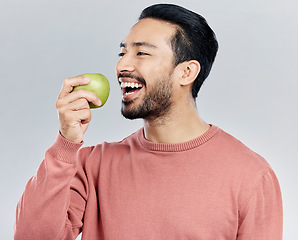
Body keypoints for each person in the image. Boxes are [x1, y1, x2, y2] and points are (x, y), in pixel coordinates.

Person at [14, 3, 283, 240]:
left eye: (142, 53)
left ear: (186, 72)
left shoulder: (251, 176)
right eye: (122, 53)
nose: (122, 66)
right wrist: (66, 144)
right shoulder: (91, 165)